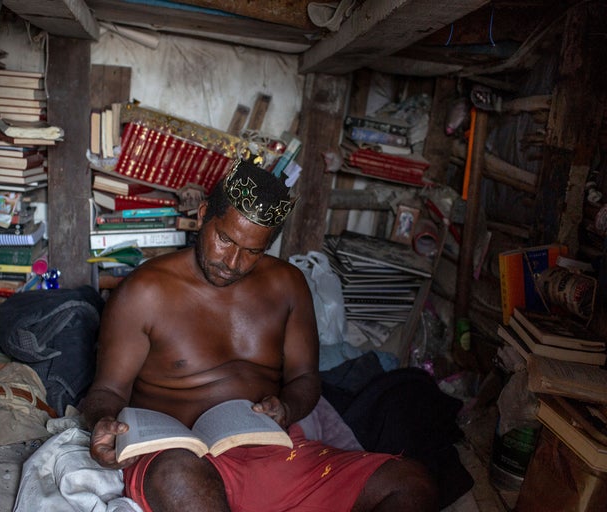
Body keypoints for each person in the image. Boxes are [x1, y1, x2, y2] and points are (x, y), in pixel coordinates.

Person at [83, 159, 438, 512]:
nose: (232, 262)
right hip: (178, 459)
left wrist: (287, 408)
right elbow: (107, 391)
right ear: (204, 214)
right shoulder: (144, 291)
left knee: (411, 483)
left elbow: (304, 379)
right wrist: (104, 424)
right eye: (224, 239)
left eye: (252, 251)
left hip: (271, 454)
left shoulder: (286, 286)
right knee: (178, 477)